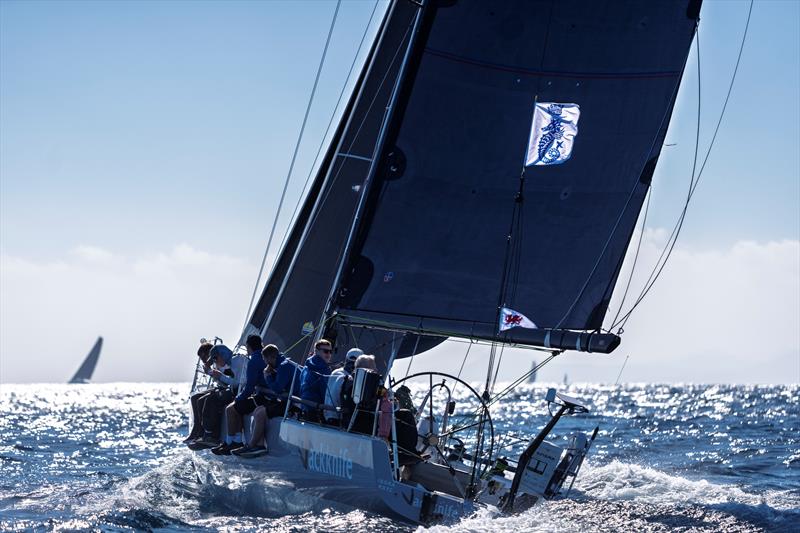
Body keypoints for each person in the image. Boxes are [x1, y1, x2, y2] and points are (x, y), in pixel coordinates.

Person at [234, 344, 300, 458]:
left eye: (264, 359)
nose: (264, 362)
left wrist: (267, 375)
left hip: (294, 403)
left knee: (261, 413)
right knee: (258, 410)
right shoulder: (282, 363)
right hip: (287, 400)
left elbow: (277, 389)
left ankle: (251, 445)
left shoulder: (284, 366)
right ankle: (258, 446)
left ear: (269, 358)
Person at [212, 334, 265, 455]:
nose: (215, 361)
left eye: (215, 358)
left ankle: (232, 442)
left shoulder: (246, 361)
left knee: (230, 409)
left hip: (262, 395)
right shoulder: (259, 357)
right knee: (234, 407)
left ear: (249, 347)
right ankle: (233, 441)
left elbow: (244, 384)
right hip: (262, 393)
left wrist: (239, 398)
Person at [189, 344, 245, 449]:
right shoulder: (229, 362)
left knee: (211, 399)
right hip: (232, 389)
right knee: (200, 400)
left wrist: (220, 376)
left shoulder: (238, 361)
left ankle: (211, 435)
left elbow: (237, 383)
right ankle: (203, 433)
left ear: (222, 355)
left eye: (215, 358)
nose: (214, 361)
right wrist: (216, 374)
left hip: (239, 391)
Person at [323, 347, 362, 424]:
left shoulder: (336, 372)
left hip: (328, 413)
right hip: (336, 416)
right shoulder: (345, 377)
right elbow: (342, 396)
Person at [297, 339, 333, 422]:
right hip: (316, 411)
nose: (329, 354)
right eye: (325, 351)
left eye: (330, 351)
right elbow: (326, 393)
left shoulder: (306, 366)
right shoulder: (324, 369)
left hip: (304, 408)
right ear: (316, 351)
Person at [185, 342, 214, 442]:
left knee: (201, 400)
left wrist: (210, 371)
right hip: (218, 388)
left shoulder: (220, 361)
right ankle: (197, 428)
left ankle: (202, 430)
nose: (203, 361)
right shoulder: (212, 364)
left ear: (209, 355)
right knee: (194, 398)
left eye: (203, 358)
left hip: (225, 389)